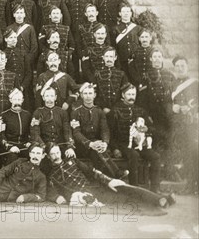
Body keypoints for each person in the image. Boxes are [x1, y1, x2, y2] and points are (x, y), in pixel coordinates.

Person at [46, 143, 174, 209]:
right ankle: (157, 201)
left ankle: (159, 199)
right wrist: (59, 198)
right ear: (48, 156)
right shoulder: (51, 174)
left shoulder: (73, 161)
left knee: (123, 187)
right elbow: (52, 191)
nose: (56, 156)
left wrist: (108, 180)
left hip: (96, 187)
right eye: (53, 154)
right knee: (123, 199)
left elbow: (92, 171)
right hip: (84, 195)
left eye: (57, 152)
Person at [70, 83, 128, 179]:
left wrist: (105, 143)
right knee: (97, 150)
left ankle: (106, 179)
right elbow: (76, 133)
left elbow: (105, 130)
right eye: (85, 94)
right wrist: (90, 144)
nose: (88, 96)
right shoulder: (76, 112)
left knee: (97, 151)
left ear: (94, 95)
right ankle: (116, 173)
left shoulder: (99, 111)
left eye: (90, 93)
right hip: (82, 145)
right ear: (81, 95)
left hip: (96, 144)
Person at [111, 83, 161, 192]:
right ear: (123, 95)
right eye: (128, 94)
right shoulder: (115, 110)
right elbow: (110, 133)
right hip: (123, 144)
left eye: (133, 94)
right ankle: (134, 188)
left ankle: (155, 188)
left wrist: (147, 129)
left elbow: (152, 128)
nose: (131, 97)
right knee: (134, 155)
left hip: (139, 144)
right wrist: (115, 148)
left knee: (155, 157)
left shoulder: (141, 111)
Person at [171, 55, 198, 194]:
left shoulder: (195, 83)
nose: (180, 68)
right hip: (177, 125)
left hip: (192, 124)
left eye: (183, 66)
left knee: (193, 153)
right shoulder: (172, 84)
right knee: (183, 153)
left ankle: (193, 185)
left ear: (187, 67)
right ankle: (187, 184)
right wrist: (172, 107)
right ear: (174, 68)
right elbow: (166, 102)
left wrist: (192, 109)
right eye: (177, 66)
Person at [30, 86, 75, 162]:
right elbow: (35, 132)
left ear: (55, 97)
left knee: (70, 158)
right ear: (43, 98)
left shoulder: (62, 112)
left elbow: (67, 131)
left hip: (60, 146)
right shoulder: (38, 113)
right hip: (44, 146)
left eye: (52, 96)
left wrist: (70, 146)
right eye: (47, 96)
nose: (49, 98)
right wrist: (43, 146)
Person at [65, 0, 93, 81]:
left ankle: (87, 79)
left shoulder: (88, 0)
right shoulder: (68, 1)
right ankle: (75, 80)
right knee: (74, 56)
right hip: (72, 32)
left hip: (84, 32)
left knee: (85, 55)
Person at [0, 89, 31, 167]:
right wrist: (9, 146)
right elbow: (0, 135)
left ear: (22, 100)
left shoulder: (27, 115)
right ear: (10, 100)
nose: (17, 102)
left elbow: (30, 131)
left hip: (24, 146)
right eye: (15, 99)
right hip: (10, 146)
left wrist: (29, 142)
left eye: (19, 99)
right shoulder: (3, 115)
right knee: (12, 158)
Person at [92, 47, 128, 114]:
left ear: (115, 58)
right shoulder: (97, 74)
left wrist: (115, 108)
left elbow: (125, 94)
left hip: (118, 111)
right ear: (103, 57)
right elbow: (94, 93)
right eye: (107, 56)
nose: (109, 59)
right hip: (101, 110)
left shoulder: (121, 74)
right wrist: (103, 107)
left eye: (111, 56)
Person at [110, 3, 141, 77]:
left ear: (131, 13)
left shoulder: (138, 28)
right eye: (123, 12)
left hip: (135, 61)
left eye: (128, 12)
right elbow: (113, 47)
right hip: (121, 62)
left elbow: (140, 44)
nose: (126, 14)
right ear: (120, 13)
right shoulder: (115, 29)